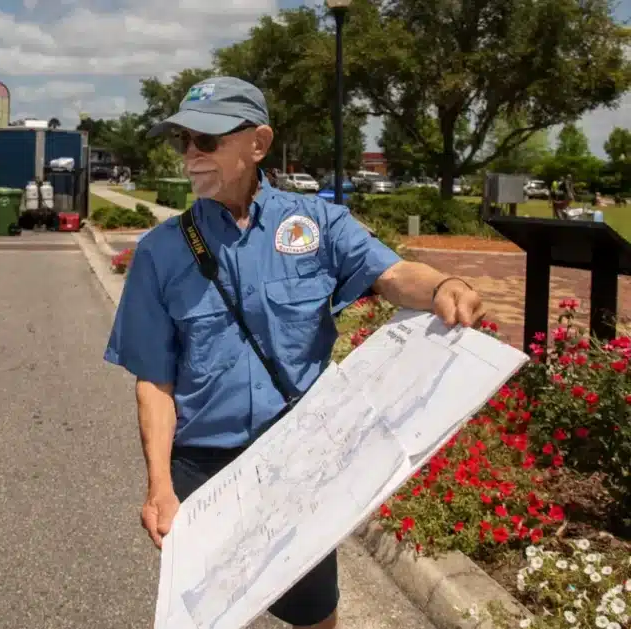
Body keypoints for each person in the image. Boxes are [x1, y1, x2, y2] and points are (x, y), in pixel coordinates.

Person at [103, 76, 486, 629]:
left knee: (314, 616)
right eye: (183, 140)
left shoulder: (317, 225)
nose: (190, 156)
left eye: (206, 141)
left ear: (258, 144)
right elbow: (154, 381)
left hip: (298, 462)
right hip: (203, 472)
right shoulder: (160, 252)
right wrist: (160, 485)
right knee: (204, 617)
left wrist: (444, 285)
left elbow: (392, 275)